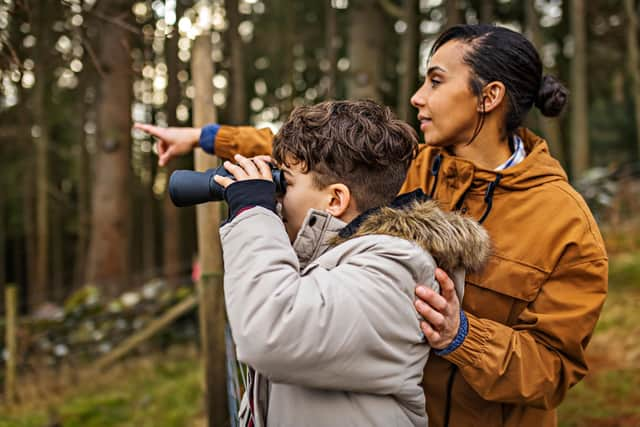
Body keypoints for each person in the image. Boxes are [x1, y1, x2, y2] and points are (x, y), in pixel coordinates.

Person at [136, 24, 608, 427]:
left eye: (436, 81)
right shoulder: (413, 166)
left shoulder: (565, 223)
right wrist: (205, 136)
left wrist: (462, 335)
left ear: (489, 96)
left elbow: (554, 368)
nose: (417, 97)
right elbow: (317, 162)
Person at [214, 100, 490, 426]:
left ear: (335, 200)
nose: (275, 197)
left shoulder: (396, 269)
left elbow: (271, 332)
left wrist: (252, 212)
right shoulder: (330, 259)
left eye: (284, 184)